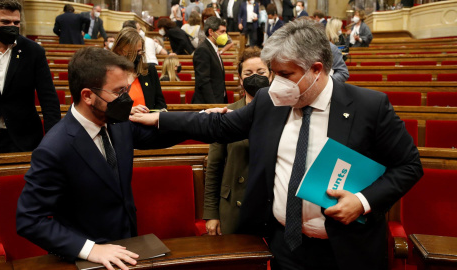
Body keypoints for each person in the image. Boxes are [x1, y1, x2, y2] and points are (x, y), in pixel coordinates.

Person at [130, 19, 423, 270]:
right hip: (285, 246)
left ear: (316, 69)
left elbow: (409, 165)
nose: (275, 83)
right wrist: (160, 118)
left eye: (285, 75)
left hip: (348, 251)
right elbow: (217, 124)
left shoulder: (369, 106)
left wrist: (362, 202)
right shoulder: (270, 102)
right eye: (273, 73)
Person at [16, 47, 183, 270]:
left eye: (127, 90)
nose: (127, 99)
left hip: (128, 251)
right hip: (86, 261)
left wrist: (205, 118)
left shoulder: (118, 123)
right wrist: (89, 249)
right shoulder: (55, 148)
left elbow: (163, 134)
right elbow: (29, 220)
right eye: (118, 92)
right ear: (88, 96)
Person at [204, 47, 273, 235]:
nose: (255, 78)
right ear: (241, 81)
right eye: (248, 74)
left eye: (261, 72)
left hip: (271, 206)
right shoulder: (225, 114)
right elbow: (214, 166)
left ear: (271, 76)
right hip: (234, 203)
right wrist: (211, 214)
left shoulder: (283, 112)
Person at [0, 0, 61, 155]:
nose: (12, 27)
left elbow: (49, 100)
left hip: (23, 138)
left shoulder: (34, 51)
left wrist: (53, 142)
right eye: (5, 22)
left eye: (16, 22)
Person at [112, 27, 167, 113]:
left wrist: (151, 117)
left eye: (139, 52)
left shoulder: (149, 70)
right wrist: (127, 111)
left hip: (146, 124)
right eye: (132, 53)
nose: (137, 56)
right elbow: (103, 107)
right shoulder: (108, 73)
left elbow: (160, 104)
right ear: (119, 51)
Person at [192, 16, 227, 104]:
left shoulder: (213, 48)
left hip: (218, 101)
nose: (225, 35)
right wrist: (213, 105)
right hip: (209, 104)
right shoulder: (203, 50)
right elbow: (203, 81)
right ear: (211, 32)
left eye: (225, 31)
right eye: (222, 31)